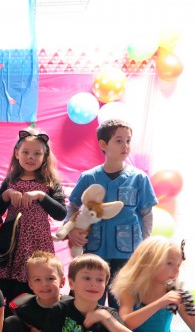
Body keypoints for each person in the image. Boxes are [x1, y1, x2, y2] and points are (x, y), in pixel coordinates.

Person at [66, 119, 158, 308]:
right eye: (119, 140)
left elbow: (146, 214)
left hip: (128, 253)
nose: (125, 146)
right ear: (103, 144)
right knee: (91, 300)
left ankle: (120, 328)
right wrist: (71, 231)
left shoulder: (139, 178)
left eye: (128, 141)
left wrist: (145, 246)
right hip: (95, 251)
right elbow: (72, 207)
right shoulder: (89, 177)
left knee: (123, 302)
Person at [0, 127, 67, 304]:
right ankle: (7, 319)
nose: (30, 157)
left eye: (37, 153)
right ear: (17, 153)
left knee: (35, 287)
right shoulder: (10, 181)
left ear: (45, 156)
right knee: (7, 290)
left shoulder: (50, 183)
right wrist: (6, 195)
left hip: (37, 244)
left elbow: (60, 213)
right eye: (25, 152)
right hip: (11, 244)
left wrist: (41, 196)